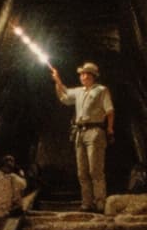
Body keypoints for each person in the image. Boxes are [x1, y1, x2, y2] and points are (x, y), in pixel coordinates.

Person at [49, 61, 115, 212]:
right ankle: (87, 203)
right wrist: (57, 80)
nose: (82, 76)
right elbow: (65, 95)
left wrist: (110, 129)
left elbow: (110, 110)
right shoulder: (79, 92)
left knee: (95, 170)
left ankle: (100, 203)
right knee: (82, 172)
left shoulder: (101, 90)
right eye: (81, 74)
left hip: (95, 131)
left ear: (92, 76)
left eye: (85, 74)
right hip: (80, 133)